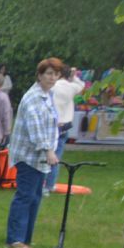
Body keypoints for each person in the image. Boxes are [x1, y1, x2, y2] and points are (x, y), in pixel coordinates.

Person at [5, 58, 63, 248]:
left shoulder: (48, 95)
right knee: (25, 196)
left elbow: (48, 122)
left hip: (40, 159)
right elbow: (35, 128)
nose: (52, 78)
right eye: (48, 74)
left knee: (35, 197)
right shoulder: (33, 97)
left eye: (55, 74)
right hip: (28, 156)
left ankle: (26, 238)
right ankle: (15, 239)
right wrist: (48, 149)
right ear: (39, 75)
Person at [46, 64, 86, 196]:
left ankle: (42, 184)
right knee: (56, 157)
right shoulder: (71, 87)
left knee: (45, 155)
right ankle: (50, 184)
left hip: (51, 124)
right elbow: (82, 85)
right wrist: (74, 77)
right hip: (65, 125)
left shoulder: (52, 87)